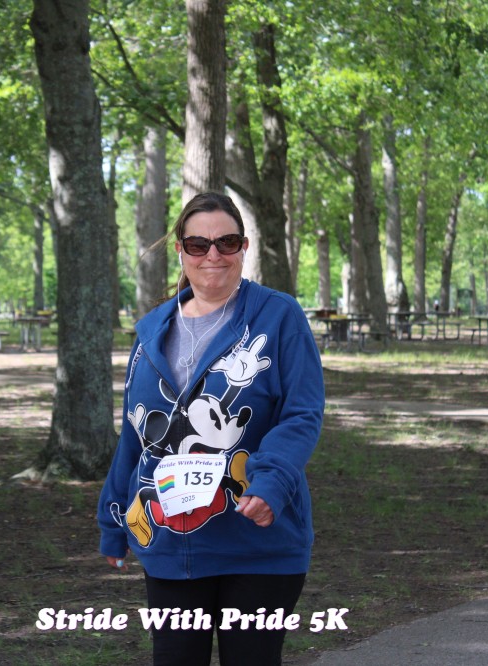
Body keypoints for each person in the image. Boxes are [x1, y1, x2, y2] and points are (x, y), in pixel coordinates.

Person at [97, 192, 325, 666]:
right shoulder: (151, 332)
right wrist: (114, 521)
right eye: (199, 244)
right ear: (180, 250)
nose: (213, 255)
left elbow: (302, 412)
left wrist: (272, 482)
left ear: (244, 247)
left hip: (258, 544)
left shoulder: (278, 316)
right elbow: (134, 437)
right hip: (170, 545)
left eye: (227, 242)